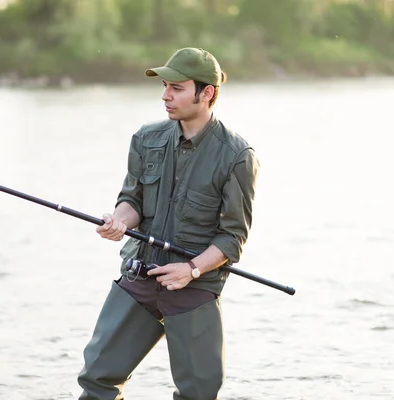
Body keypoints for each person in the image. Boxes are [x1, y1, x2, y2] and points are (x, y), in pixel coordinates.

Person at [77, 47, 259, 400]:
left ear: (206, 93)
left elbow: (232, 238)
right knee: (97, 379)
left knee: (199, 393)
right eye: (164, 86)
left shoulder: (238, 156)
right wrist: (118, 221)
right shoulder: (146, 138)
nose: (165, 95)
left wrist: (190, 270)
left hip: (195, 288)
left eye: (176, 87)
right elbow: (132, 201)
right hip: (139, 276)